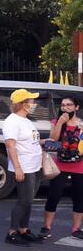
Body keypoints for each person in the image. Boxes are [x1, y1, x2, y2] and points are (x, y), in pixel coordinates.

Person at [3, 89, 44, 246]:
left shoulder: (26, 120)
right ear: (22, 103)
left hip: (34, 166)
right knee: (24, 201)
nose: (33, 104)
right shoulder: (12, 121)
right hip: (24, 167)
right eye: (31, 101)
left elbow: (29, 141)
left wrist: (44, 141)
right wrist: (18, 168)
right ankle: (12, 232)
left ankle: (23, 229)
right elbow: (11, 146)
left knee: (29, 201)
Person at [41, 96, 83, 240]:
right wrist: (60, 123)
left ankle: (76, 229)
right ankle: (46, 227)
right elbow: (53, 140)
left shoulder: (81, 124)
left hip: (79, 165)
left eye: (69, 105)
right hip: (60, 164)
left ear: (76, 107)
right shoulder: (56, 122)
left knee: (79, 197)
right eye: (63, 105)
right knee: (54, 196)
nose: (66, 108)